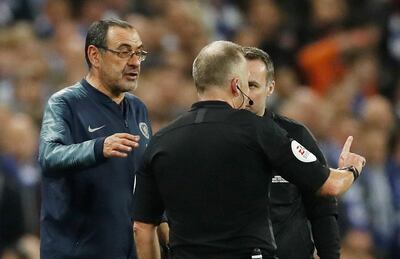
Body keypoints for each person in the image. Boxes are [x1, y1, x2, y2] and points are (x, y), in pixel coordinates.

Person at [132, 41, 366, 259]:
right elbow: (331, 185)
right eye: (247, 83)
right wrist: (351, 168)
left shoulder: (161, 140)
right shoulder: (258, 130)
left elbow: (142, 227)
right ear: (236, 84)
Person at [38, 19, 152, 259]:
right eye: (123, 52)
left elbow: (146, 181)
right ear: (95, 55)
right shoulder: (64, 103)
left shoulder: (138, 109)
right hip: (76, 253)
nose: (134, 62)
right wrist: (99, 147)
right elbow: (48, 155)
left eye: (138, 53)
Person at [244, 46, 340, 259]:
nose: (246, 94)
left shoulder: (296, 135)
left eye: (253, 85)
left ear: (270, 88)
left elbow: (322, 206)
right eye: (240, 85)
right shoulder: (214, 137)